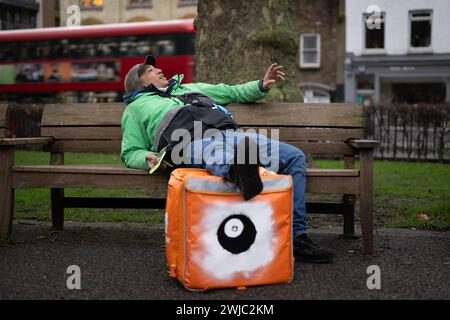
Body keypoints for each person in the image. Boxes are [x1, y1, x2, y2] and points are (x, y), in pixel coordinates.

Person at [121, 55, 335, 264]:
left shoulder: (190, 88)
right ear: (138, 84)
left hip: (233, 135)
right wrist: (147, 157)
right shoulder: (136, 107)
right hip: (186, 141)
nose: (158, 70)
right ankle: (237, 172)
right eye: (149, 70)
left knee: (293, 157)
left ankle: (297, 237)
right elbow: (131, 151)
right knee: (217, 153)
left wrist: (261, 85)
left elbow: (231, 91)